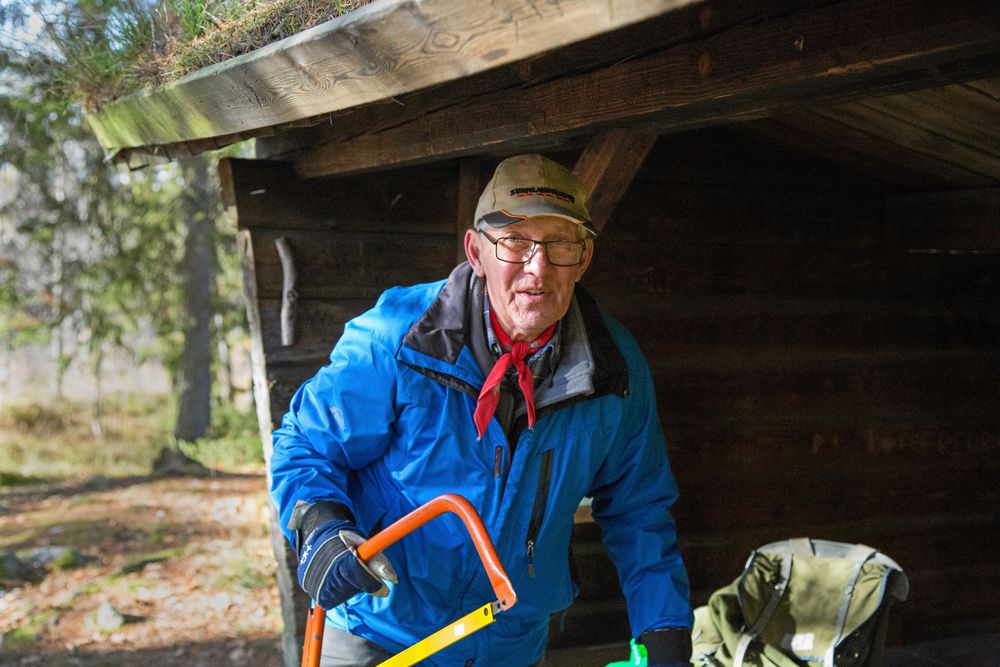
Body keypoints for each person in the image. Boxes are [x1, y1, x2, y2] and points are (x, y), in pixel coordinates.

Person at [270, 154, 693, 666]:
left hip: (510, 644)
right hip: (381, 631)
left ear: (583, 260)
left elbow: (639, 508)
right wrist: (320, 529)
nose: (537, 267)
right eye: (515, 241)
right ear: (477, 251)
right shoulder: (399, 336)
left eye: (560, 243)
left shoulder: (614, 371)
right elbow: (306, 444)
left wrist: (664, 630)